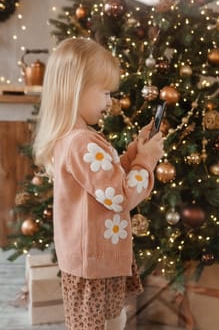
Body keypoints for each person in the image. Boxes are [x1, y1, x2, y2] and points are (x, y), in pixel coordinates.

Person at [33, 37, 164, 330]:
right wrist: (147, 161)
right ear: (76, 89)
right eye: (105, 92)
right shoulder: (83, 143)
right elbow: (120, 197)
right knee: (105, 324)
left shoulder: (75, 138)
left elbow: (109, 178)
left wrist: (135, 152)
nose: (109, 101)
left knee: (107, 321)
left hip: (91, 260)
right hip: (94, 266)